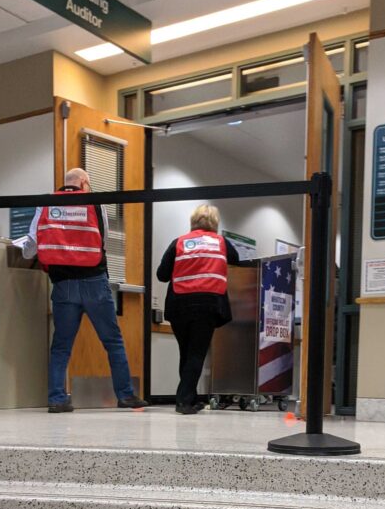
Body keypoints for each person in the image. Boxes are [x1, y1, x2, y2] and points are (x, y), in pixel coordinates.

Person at [23, 168, 147, 413]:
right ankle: (125, 396)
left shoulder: (46, 204)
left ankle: (57, 399)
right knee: (112, 341)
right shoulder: (95, 203)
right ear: (83, 183)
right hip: (94, 282)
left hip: (63, 284)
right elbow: (103, 241)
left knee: (61, 345)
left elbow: (32, 246)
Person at [156, 204, 239, 414]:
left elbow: (162, 274)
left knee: (186, 353)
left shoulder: (179, 242)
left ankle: (189, 398)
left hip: (179, 306)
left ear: (193, 222)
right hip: (206, 305)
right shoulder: (221, 242)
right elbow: (237, 260)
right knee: (195, 354)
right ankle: (184, 401)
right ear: (215, 224)